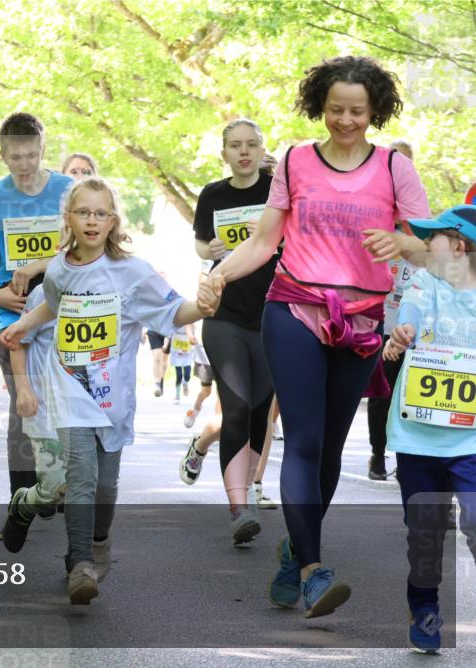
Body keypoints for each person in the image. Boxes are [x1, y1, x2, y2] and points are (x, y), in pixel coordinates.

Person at [210, 56, 430, 618]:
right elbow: (265, 241)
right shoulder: (295, 160)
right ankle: (313, 569)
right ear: (320, 107)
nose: (346, 121)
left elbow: (428, 247)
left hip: (361, 321)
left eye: (357, 111)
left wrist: (401, 243)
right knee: (304, 439)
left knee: (331, 447)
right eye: (336, 110)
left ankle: (294, 550)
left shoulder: (394, 169)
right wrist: (219, 276)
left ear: (375, 110)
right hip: (294, 307)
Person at [0, 177, 222, 604]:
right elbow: (53, 304)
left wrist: (203, 307)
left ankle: (96, 541)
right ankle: (81, 562)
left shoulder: (132, 273)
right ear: (69, 219)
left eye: (100, 213)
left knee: (105, 485)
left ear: (113, 221)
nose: (92, 220)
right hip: (69, 389)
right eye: (83, 212)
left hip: (112, 397)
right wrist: (24, 325)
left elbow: (174, 310)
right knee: (80, 477)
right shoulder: (59, 268)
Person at [381, 204, 476, 655]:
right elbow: (411, 312)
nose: (422, 243)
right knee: (425, 532)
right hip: (418, 436)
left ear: (458, 246)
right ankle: (424, 610)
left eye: (432, 237)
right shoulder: (424, 281)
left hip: (470, 438)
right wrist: (403, 333)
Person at [0, 112, 74, 499]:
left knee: (67, 398)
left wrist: (39, 265)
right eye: (16, 157)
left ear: (43, 149)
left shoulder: (67, 190)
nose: (25, 165)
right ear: (2, 155)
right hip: (10, 310)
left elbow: (82, 245)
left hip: (63, 310)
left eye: (32, 155)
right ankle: (22, 498)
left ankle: (65, 485)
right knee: (21, 402)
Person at [182, 118, 280, 544]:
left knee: (260, 411)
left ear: (261, 150)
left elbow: (296, 238)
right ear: (224, 153)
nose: (243, 151)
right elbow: (201, 244)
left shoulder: (278, 192)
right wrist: (212, 249)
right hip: (224, 315)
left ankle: (249, 491)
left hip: (273, 315)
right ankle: (238, 506)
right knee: (236, 407)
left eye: (251, 144)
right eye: (235, 145)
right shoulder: (212, 194)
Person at [365, 138, 418, 479]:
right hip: (378, 322)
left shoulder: (422, 221)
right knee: (382, 394)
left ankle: (407, 458)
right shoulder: (374, 214)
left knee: (409, 396)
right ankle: (377, 454)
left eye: (406, 163)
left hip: (413, 327)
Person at [166, 325, 196, 404]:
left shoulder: (190, 324)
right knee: (179, 375)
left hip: (187, 355)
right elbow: (168, 335)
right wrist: (165, 345)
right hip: (177, 354)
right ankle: (177, 396)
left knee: (187, 375)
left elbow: (193, 338)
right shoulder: (174, 324)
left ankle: (185, 383)